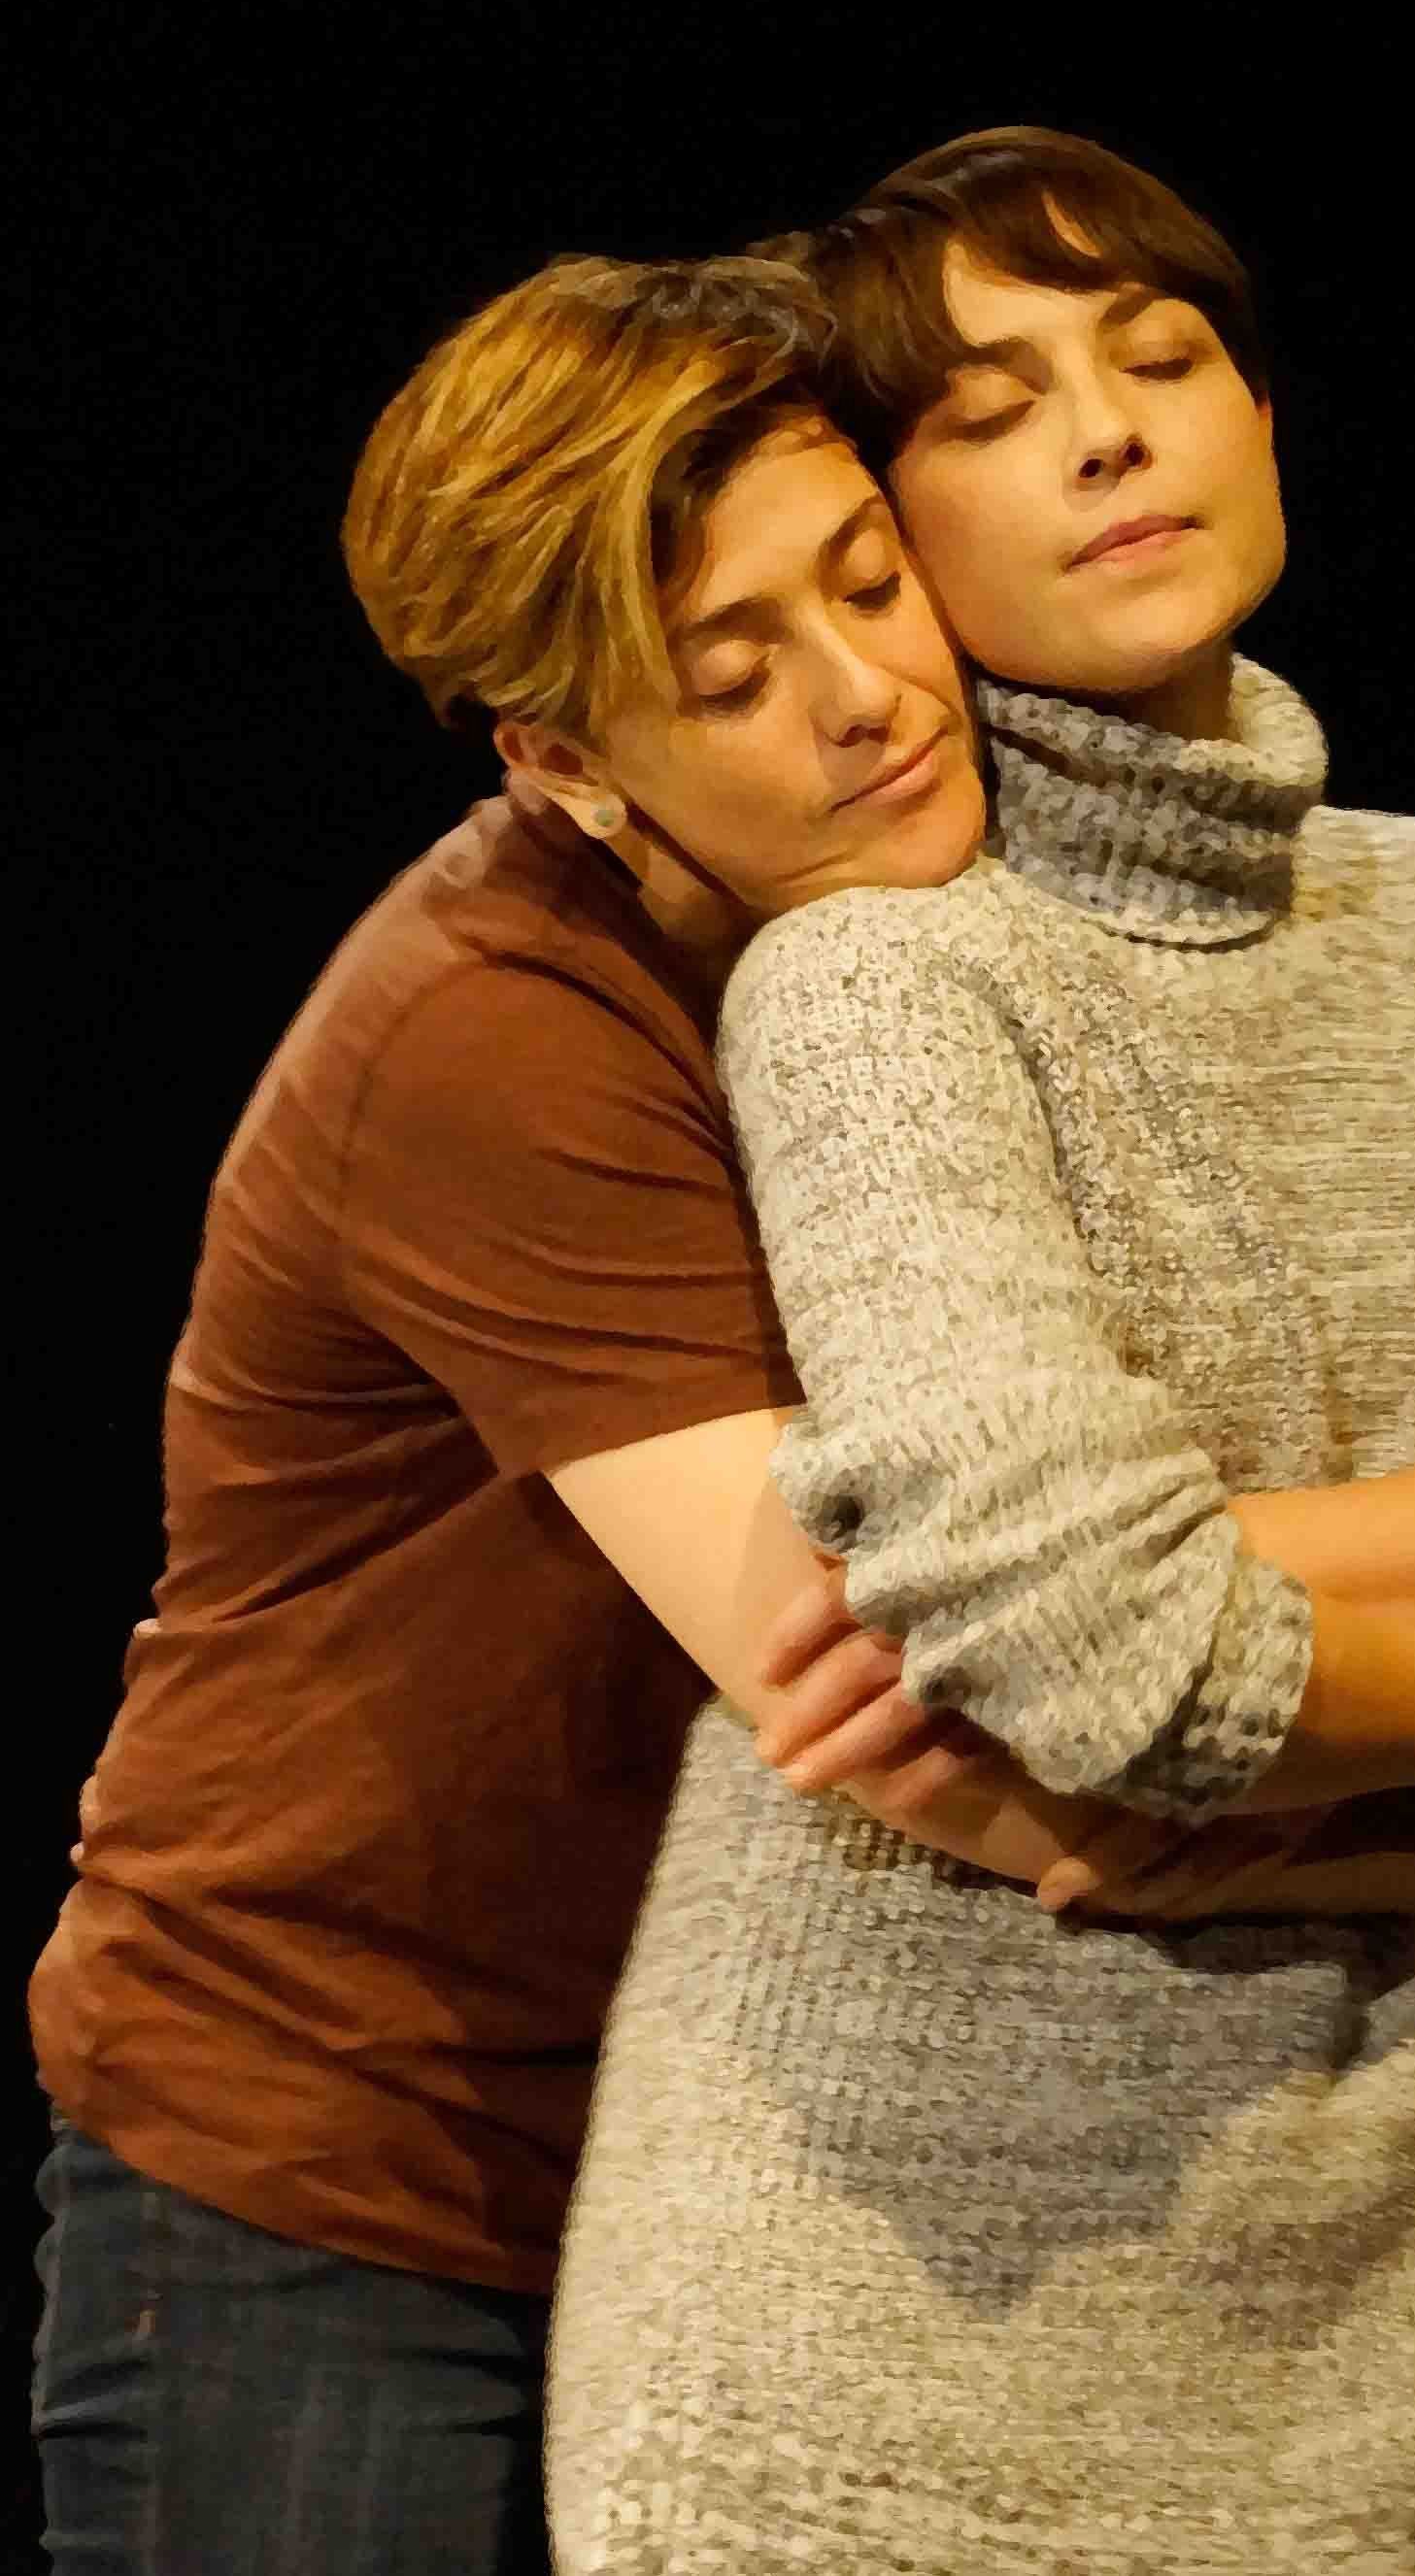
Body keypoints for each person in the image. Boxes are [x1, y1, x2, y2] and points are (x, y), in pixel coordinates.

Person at [540, 132, 1415, 2573]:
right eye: (993, 409)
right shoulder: (885, 973)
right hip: (848, 2303)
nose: (1111, 432)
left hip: (1321, 2273)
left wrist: (1186, 1565)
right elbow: (1095, 1663)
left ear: (1263, 412)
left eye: (1162, 354)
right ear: (895, 542)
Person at [28, 252, 1331, 2576]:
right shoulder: (495, 1035)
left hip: (748, 2134)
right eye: (731, 675)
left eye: (868, 581)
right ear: (562, 762)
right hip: (345, 2160)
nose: (866, 695)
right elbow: (923, 1712)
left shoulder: (959, 904)